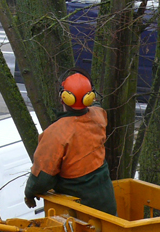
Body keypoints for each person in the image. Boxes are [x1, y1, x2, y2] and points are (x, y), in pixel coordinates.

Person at [24, 68, 117, 216]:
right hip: (105, 202)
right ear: (90, 97)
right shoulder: (99, 116)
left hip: (80, 208)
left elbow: (42, 178)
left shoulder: (56, 133)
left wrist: (30, 192)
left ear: (63, 98)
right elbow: (96, 107)